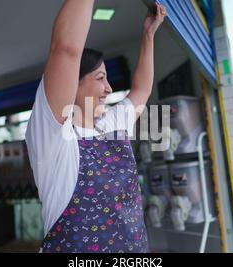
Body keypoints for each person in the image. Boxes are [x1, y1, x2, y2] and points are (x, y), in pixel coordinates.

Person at [25, 0, 167, 253]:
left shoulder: (110, 125)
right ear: (73, 83)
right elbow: (66, 49)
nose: (109, 88)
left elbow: (142, 90)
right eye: (100, 78)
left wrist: (148, 34)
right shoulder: (56, 137)